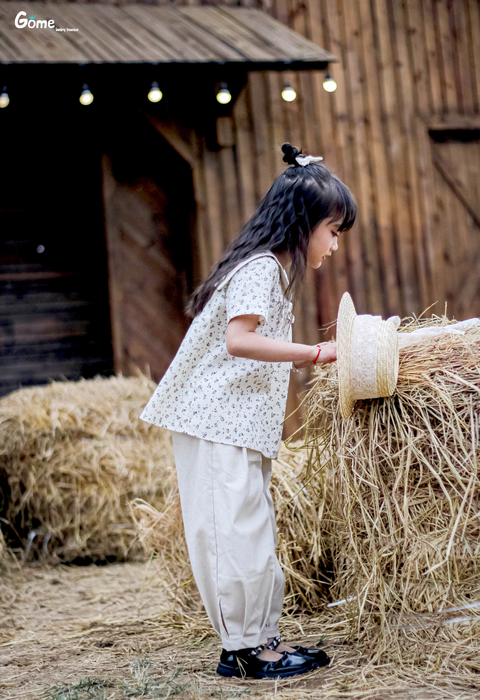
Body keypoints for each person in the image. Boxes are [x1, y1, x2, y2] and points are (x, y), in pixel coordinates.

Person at [139, 143, 357, 679]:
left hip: (234, 423)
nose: (333, 244)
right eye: (332, 230)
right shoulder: (261, 269)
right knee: (232, 531)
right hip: (216, 421)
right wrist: (311, 353)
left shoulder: (272, 271)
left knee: (249, 529)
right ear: (304, 223)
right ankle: (246, 651)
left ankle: (260, 640)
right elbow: (239, 340)